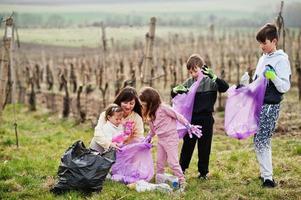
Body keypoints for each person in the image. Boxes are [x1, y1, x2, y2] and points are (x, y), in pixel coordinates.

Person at [171, 54, 229, 179]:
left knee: (204, 146)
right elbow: (175, 96)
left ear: (202, 68)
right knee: (188, 145)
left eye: (195, 71)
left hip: (206, 119)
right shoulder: (189, 82)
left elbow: (225, 88)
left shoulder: (210, 82)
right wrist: (175, 90)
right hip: (191, 120)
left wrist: (215, 77)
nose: (193, 74)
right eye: (190, 72)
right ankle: (181, 169)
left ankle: (203, 173)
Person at [139, 87, 202, 192]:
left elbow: (177, 116)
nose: (143, 105)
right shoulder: (150, 114)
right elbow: (153, 130)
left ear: (151, 100)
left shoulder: (163, 108)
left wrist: (188, 125)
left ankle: (182, 181)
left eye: (144, 102)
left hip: (171, 138)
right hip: (161, 140)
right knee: (159, 162)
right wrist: (148, 137)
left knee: (173, 162)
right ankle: (160, 181)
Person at [252, 23, 291, 188]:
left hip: (270, 106)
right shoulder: (263, 58)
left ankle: (269, 179)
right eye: (260, 43)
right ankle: (264, 174)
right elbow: (256, 81)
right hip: (258, 105)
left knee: (262, 140)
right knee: (258, 140)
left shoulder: (281, 60)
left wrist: (273, 77)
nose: (261, 46)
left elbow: (285, 87)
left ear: (274, 41)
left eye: (264, 43)